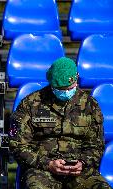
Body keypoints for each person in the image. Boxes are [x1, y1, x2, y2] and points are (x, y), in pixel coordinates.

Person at [9, 57, 111, 188]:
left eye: (69, 88)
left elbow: (96, 145)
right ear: (51, 84)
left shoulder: (90, 106)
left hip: (79, 171)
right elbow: (17, 145)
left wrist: (83, 162)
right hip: (41, 170)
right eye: (60, 89)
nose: (65, 92)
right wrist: (47, 164)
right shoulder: (30, 104)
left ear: (76, 79)